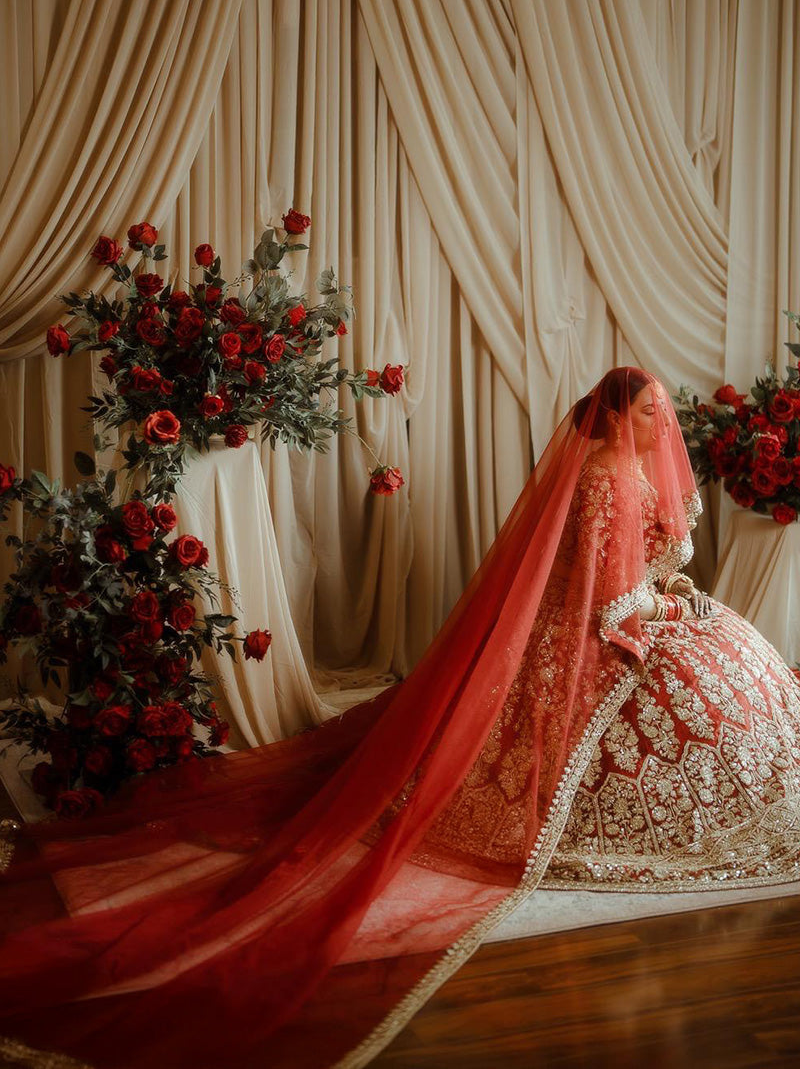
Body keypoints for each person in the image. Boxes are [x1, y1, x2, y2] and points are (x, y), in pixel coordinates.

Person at [0, 367, 798, 1069]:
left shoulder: (603, 467)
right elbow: (609, 600)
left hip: (581, 621)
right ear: (622, 417)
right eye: (652, 411)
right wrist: (668, 605)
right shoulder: (613, 480)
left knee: (717, 644)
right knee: (709, 668)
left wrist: (667, 598)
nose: (665, 425)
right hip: (594, 640)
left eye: (663, 410)